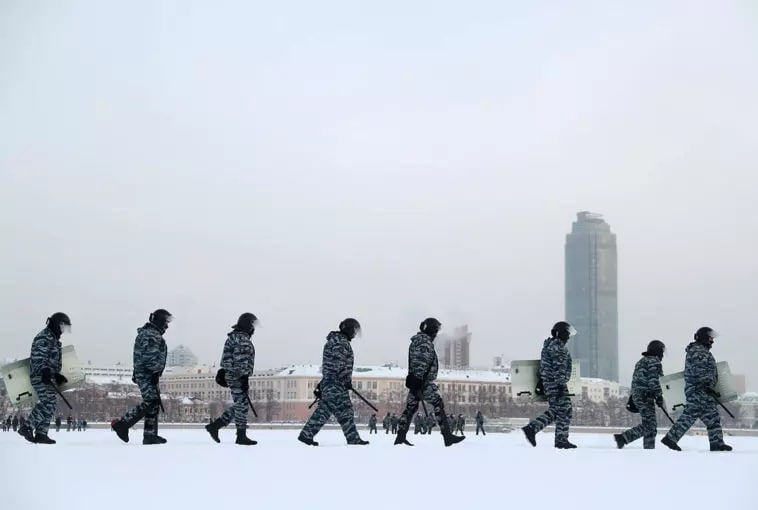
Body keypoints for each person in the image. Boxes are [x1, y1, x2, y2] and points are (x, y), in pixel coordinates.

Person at [298, 319, 368, 446]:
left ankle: (308, 434)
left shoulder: (335, 341)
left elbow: (330, 366)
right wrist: (344, 379)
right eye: (353, 330)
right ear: (347, 329)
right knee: (335, 410)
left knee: (336, 411)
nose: (354, 334)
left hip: (333, 384)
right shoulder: (340, 343)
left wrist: (323, 384)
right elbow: (337, 364)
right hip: (336, 385)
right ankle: (307, 434)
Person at [394, 318, 464, 447]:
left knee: (411, 407)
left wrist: (414, 382)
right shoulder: (424, 343)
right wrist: (419, 383)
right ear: (432, 331)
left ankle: (400, 436)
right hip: (422, 382)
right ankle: (447, 436)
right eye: (435, 331)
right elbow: (421, 362)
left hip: (416, 381)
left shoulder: (417, 341)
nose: (436, 334)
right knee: (437, 402)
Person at [661, 327, 732, 452]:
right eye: (710, 338)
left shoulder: (700, 350)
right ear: (704, 338)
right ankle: (670, 438)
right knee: (690, 415)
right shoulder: (698, 351)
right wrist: (706, 384)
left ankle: (717, 443)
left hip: (703, 391)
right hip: (699, 391)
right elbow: (699, 370)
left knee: (713, 417)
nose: (712, 341)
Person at [111, 309, 171, 445]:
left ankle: (150, 435)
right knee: (151, 402)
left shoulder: (150, 333)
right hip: (148, 373)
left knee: (153, 403)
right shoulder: (151, 335)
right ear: (160, 321)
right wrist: (155, 372)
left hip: (147, 373)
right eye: (165, 322)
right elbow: (149, 356)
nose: (167, 326)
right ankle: (122, 424)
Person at [205, 313, 259, 445]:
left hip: (232, 375)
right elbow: (240, 362)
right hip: (238, 376)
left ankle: (216, 426)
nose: (254, 329)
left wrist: (225, 371)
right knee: (242, 405)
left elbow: (227, 358)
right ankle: (240, 436)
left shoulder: (233, 337)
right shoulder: (242, 340)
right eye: (252, 325)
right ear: (248, 325)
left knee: (241, 404)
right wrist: (244, 378)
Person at [522, 321, 577, 449]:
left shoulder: (550, 345)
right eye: (567, 334)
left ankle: (556, 437)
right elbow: (559, 368)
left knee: (560, 410)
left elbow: (546, 367)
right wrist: (560, 386)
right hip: (556, 384)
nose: (568, 337)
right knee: (563, 409)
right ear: (561, 333)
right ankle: (536, 429)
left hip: (551, 383)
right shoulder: (557, 347)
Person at [18, 313, 71, 444]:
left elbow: (52, 360)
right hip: (40, 376)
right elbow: (38, 357)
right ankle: (27, 426)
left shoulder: (53, 339)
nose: (63, 331)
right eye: (63, 327)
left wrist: (56, 375)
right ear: (57, 325)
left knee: (51, 404)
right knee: (48, 401)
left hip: (48, 376)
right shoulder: (44, 337)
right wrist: (44, 371)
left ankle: (41, 433)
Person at [614, 341, 666, 449]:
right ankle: (624, 438)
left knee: (649, 424)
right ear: (658, 351)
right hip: (645, 397)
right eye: (662, 351)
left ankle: (646, 447)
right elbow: (654, 381)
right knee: (650, 425)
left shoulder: (641, 361)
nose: (662, 354)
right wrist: (659, 396)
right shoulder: (654, 362)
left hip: (637, 396)